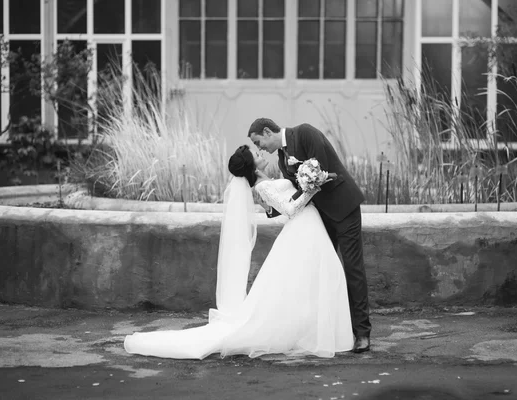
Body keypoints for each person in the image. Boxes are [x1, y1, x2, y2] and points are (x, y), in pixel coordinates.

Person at [124, 145, 353, 359]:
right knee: (322, 275)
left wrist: (309, 183)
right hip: (302, 228)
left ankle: (314, 330)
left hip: (308, 227)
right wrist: (312, 188)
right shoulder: (262, 187)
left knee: (316, 279)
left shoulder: (267, 181)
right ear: (252, 165)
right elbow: (291, 209)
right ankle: (317, 334)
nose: (261, 154)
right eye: (256, 155)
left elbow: (280, 207)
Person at [248, 118, 371, 353]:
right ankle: (332, 330)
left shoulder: (304, 133)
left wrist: (310, 181)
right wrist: (272, 207)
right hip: (321, 217)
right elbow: (297, 193)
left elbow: (322, 171)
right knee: (324, 272)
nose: (260, 148)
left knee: (353, 270)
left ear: (266, 131)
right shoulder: (284, 160)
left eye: (259, 142)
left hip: (344, 209)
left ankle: (363, 333)